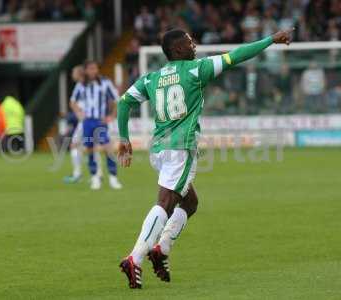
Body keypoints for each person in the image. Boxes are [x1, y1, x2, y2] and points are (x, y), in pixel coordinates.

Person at [117, 28, 294, 289]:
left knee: (190, 203)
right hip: (181, 148)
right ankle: (135, 258)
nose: (194, 44)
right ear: (178, 50)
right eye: (189, 42)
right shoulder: (196, 70)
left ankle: (161, 249)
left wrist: (124, 138)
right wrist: (270, 40)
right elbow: (236, 55)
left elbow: (124, 102)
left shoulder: (152, 78)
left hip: (158, 149)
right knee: (165, 203)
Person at [70, 60, 122, 190]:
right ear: (86, 70)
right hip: (87, 122)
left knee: (107, 147)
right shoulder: (81, 84)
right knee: (89, 148)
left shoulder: (105, 82)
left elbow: (117, 100)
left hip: (100, 122)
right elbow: (72, 101)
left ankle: (113, 177)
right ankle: (94, 177)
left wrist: (111, 116)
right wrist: (79, 114)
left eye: (95, 68)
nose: (93, 71)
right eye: (91, 69)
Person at [64, 65, 102, 183]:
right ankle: (97, 174)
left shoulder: (81, 86)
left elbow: (74, 103)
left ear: (79, 74)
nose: (72, 74)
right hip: (90, 122)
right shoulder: (89, 85)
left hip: (85, 123)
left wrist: (79, 113)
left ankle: (78, 174)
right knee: (91, 147)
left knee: (77, 145)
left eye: (73, 72)